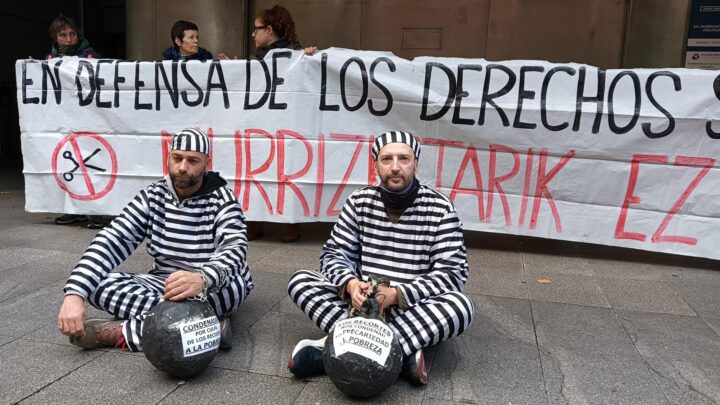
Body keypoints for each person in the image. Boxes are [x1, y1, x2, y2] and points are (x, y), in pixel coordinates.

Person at [286, 131, 474, 385]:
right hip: (360, 306)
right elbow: (334, 254)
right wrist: (351, 284)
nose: (395, 167)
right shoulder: (359, 201)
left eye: (404, 159)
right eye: (387, 159)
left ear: (416, 163)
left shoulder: (440, 208)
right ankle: (402, 354)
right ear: (375, 164)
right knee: (300, 281)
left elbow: (453, 273)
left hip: (412, 310)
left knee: (460, 307)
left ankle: (338, 349)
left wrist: (398, 294)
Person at [57, 128, 253, 352]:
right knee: (93, 286)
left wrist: (202, 278)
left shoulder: (223, 200)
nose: (182, 167)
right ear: (168, 157)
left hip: (210, 285)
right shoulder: (152, 196)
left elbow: (235, 249)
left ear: (207, 163)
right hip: (164, 284)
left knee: (235, 286)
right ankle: (204, 328)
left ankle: (126, 332)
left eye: (193, 161)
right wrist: (75, 293)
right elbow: (112, 239)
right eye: (177, 158)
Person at [229, 4, 315, 241]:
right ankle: (254, 220)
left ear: (269, 29)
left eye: (256, 29)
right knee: (255, 169)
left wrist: (311, 58)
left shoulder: (297, 55)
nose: (253, 34)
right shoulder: (258, 59)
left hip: (288, 127)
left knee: (287, 170)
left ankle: (291, 222)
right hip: (261, 126)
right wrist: (234, 72)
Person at [46, 14, 104, 228]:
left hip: (88, 120)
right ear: (55, 38)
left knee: (91, 165)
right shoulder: (49, 61)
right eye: (63, 35)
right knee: (66, 165)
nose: (69, 39)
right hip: (63, 121)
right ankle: (72, 210)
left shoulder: (91, 56)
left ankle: (95, 212)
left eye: (72, 34)